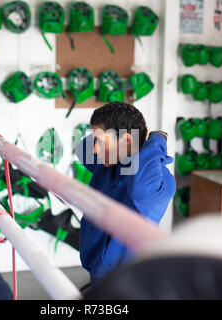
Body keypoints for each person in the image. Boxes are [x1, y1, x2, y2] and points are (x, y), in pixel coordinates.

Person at [75, 102, 176, 287]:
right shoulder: (107, 163)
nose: (95, 149)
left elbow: (141, 187)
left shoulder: (156, 183)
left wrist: (157, 138)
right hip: (100, 274)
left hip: (129, 283)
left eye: (101, 142)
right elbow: (81, 148)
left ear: (127, 140)